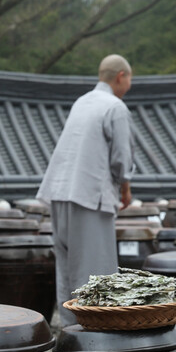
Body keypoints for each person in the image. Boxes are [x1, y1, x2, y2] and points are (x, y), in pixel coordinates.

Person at [36, 54, 134, 327]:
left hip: (60, 190)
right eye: (130, 79)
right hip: (89, 194)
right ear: (121, 77)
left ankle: (70, 331)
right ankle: (96, 334)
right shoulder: (115, 107)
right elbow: (121, 160)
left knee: (67, 267)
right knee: (95, 269)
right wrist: (125, 189)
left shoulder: (83, 101)